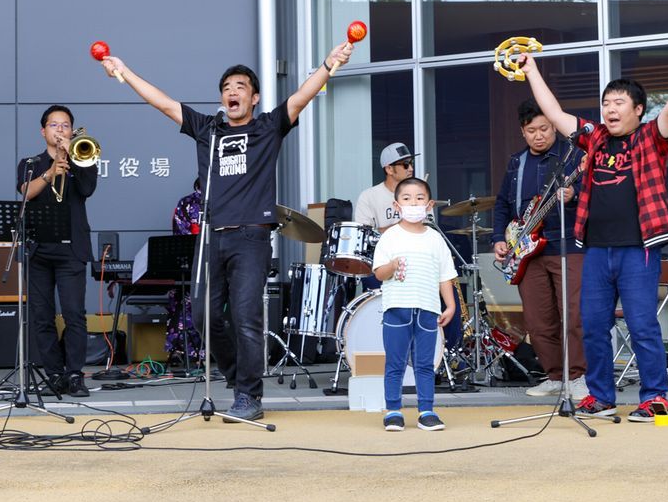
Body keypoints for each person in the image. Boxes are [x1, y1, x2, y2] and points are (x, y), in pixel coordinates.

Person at [99, 43, 351, 422]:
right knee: (202, 316)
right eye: (227, 87)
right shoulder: (208, 130)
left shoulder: (267, 128)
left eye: (240, 86)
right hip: (211, 237)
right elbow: (164, 103)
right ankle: (237, 376)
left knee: (247, 317)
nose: (232, 92)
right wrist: (124, 71)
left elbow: (300, 97)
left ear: (254, 97)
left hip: (250, 237)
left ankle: (249, 395)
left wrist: (329, 65)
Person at [521, 50, 668, 422]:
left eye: (618, 103)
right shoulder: (593, 138)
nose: (609, 110)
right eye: (605, 103)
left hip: (638, 249)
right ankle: (600, 396)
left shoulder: (650, 137)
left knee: (643, 324)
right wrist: (532, 70)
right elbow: (555, 114)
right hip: (595, 249)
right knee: (593, 324)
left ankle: (654, 396)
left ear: (638, 109)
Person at [492, 99, 587, 399]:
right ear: (523, 131)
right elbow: (503, 204)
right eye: (532, 130)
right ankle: (555, 376)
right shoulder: (516, 163)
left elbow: (595, 194)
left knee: (573, 314)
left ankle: (579, 376)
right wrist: (498, 237)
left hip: (568, 245)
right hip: (528, 252)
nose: (539, 135)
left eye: (545, 128)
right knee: (537, 319)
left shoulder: (573, 157)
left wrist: (574, 194)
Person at [17, 105, 98, 398]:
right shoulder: (30, 163)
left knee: (75, 315)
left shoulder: (85, 157)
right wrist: (51, 172)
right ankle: (53, 374)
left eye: (65, 126)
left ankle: (75, 375)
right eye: (54, 125)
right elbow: (25, 192)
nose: (60, 130)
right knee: (41, 316)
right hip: (38, 249)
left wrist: (73, 160)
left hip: (71, 249)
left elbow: (88, 190)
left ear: (72, 131)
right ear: (43, 131)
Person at [371, 177, 457, 431]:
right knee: (395, 363)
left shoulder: (435, 239)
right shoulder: (389, 237)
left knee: (425, 364)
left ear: (429, 205)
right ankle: (393, 410)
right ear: (397, 205)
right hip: (397, 308)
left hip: (428, 309)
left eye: (419, 198)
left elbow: (446, 275)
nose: (413, 203)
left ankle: (426, 410)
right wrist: (391, 266)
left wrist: (450, 305)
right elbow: (378, 274)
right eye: (407, 199)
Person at [166, 179, 205, 368]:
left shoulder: (223, 201)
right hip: (189, 265)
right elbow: (180, 236)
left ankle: (200, 350)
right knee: (181, 296)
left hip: (216, 265)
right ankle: (179, 349)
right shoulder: (186, 203)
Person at [354, 143, 417, 232]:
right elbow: (364, 234)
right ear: (389, 169)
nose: (411, 169)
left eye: (412, 163)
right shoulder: (368, 197)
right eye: (405, 164)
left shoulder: (419, 195)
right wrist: (402, 225)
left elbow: (428, 227)